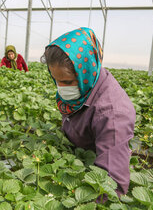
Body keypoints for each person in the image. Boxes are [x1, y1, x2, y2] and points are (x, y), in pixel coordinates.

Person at [41, 27, 135, 196]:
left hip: (93, 178)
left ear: (86, 71)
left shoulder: (112, 114)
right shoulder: (84, 89)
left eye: (67, 81)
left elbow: (113, 186)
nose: (61, 88)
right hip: (75, 165)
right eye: (56, 80)